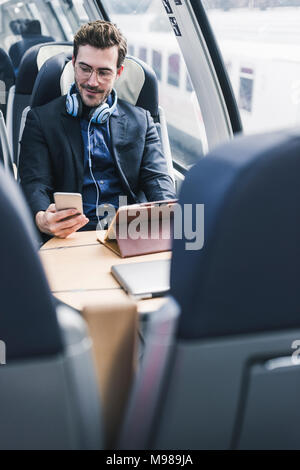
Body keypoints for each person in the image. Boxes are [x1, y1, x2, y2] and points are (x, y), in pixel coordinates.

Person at [19, 20, 176, 239]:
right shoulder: (41, 120)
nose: (92, 81)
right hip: (68, 234)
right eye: (85, 69)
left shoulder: (141, 120)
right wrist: (42, 217)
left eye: (104, 72)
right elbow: (35, 182)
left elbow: (156, 178)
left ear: (118, 72)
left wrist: (166, 211)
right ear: (74, 63)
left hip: (126, 233)